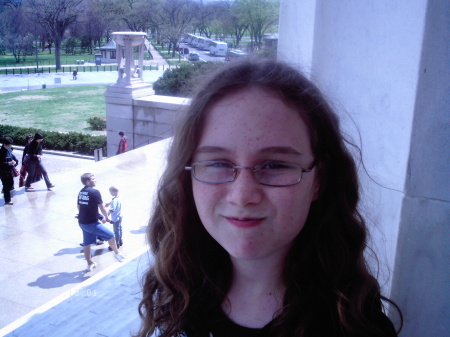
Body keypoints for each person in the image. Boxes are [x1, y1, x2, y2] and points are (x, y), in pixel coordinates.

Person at [136, 58, 403, 337]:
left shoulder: (355, 326)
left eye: (275, 165)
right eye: (218, 163)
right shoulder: (175, 294)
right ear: (187, 174)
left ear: (318, 181)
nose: (242, 197)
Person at [77, 173, 125, 271]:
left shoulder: (81, 192)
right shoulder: (95, 192)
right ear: (87, 181)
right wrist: (106, 217)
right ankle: (117, 253)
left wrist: (98, 216)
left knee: (87, 243)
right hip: (91, 223)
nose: (95, 180)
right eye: (93, 179)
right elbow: (102, 207)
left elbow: (79, 206)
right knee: (111, 235)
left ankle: (89, 263)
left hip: (82, 222)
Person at [0, 137, 18, 205]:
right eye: (9, 145)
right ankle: (7, 200)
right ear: (5, 144)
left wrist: (14, 162)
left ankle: (5, 191)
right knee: (6, 185)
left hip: (9, 170)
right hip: (3, 171)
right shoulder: (1, 152)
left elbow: (12, 157)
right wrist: (7, 163)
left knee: (11, 184)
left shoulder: (9, 150)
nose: (10, 146)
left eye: (11, 145)